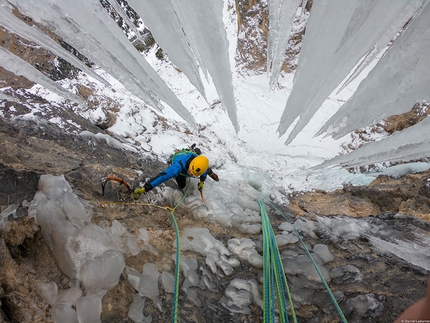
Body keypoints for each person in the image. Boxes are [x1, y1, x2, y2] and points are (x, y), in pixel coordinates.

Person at [132, 145, 219, 199]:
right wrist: (145, 188)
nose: (191, 174)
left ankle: (195, 151)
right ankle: (193, 150)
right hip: (180, 167)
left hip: (193, 159)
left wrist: (202, 182)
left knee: (207, 170)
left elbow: (204, 171)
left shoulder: (201, 166)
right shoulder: (178, 167)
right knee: (182, 186)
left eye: (194, 174)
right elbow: (162, 177)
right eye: (190, 171)